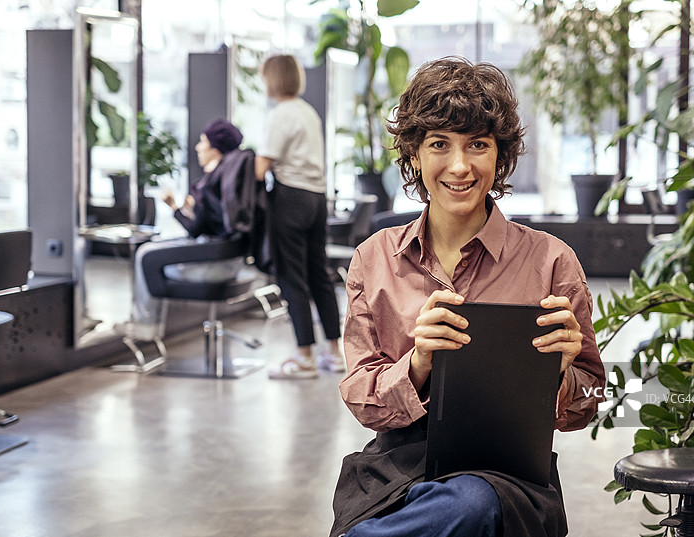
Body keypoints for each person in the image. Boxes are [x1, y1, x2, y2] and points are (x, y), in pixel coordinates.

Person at [328, 57, 606, 537]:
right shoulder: (373, 260)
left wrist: (560, 373)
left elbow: (590, 399)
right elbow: (362, 398)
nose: (460, 166)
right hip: (395, 473)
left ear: (500, 156)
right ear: (414, 154)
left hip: (510, 476)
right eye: (440, 144)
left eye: (478, 144)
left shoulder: (551, 262)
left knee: (473, 501)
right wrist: (417, 363)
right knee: (451, 508)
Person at [117, 117, 255, 340]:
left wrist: (174, 207)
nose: (198, 147)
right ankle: (148, 324)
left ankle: (145, 325)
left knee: (146, 255)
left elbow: (195, 230)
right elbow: (213, 224)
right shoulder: (231, 182)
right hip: (232, 264)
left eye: (203, 142)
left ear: (216, 148)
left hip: (214, 267)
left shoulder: (211, 185)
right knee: (154, 251)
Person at [254, 54, 345, 379]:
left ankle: (304, 356)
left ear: (273, 79)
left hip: (290, 198)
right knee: (319, 274)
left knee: (292, 276)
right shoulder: (308, 112)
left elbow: (262, 167)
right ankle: (334, 352)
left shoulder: (281, 114)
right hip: (316, 199)